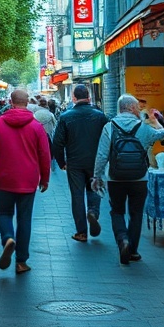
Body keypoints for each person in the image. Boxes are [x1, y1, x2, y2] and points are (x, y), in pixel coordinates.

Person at [0, 89, 50, 274]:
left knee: (4, 213)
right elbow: (44, 155)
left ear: (10, 102)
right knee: (24, 219)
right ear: (27, 103)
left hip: (4, 178)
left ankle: (8, 238)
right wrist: (45, 178)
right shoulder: (36, 126)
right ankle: (21, 261)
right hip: (28, 180)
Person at [93, 94, 164, 264]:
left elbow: (102, 155)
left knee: (117, 211)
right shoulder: (143, 126)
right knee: (136, 213)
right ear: (132, 108)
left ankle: (122, 240)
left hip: (115, 177)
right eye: (137, 107)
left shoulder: (109, 127)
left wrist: (97, 176)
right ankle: (133, 251)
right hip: (139, 178)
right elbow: (163, 134)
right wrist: (157, 120)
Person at [53, 83, 110, 242]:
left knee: (77, 196)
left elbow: (57, 142)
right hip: (95, 162)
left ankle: (81, 232)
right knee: (94, 189)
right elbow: (108, 139)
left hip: (74, 163)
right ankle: (93, 212)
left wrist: (61, 162)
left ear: (74, 98)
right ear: (89, 97)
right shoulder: (100, 115)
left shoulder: (65, 117)